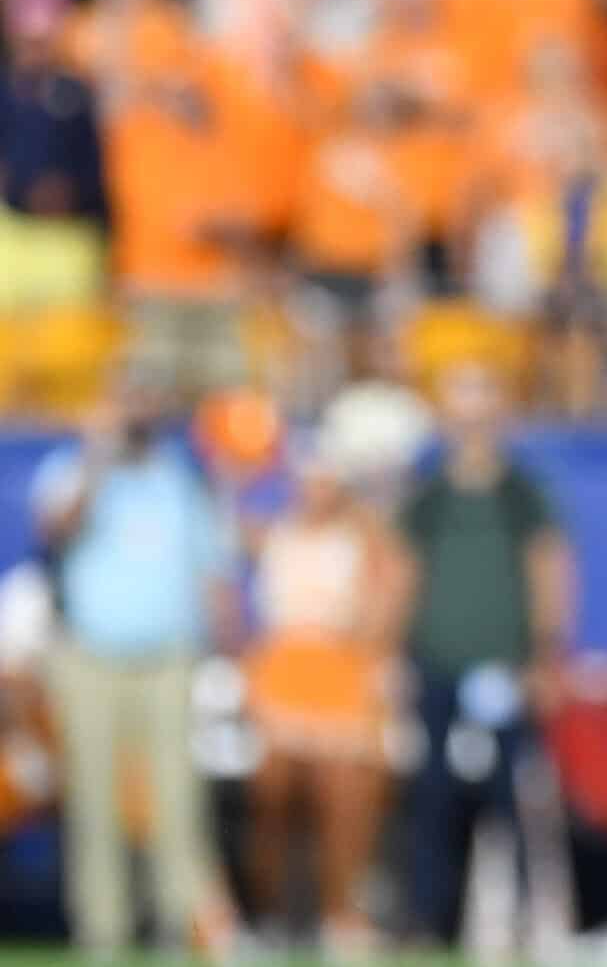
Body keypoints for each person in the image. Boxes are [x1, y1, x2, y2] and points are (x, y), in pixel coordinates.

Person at [30, 383, 238, 959]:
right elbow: (57, 529)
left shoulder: (179, 481)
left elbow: (213, 569)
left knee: (177, 800)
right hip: (90, 658)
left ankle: (178, 928)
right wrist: (96, 456)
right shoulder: (71, 470)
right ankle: (102, 934)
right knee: (94, 802)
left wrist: (224, 649)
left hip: (168, 658)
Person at [391, 362, 577, 946]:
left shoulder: (521, 493)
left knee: (511, 794)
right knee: (431, 796)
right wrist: (394, 656)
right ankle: (430, 919)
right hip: (436, 663)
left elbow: (550, 568)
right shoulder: (430, 497)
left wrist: (545, 655)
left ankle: (523, 916)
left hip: (505, 666)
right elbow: (404, 576)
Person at [242, 430, 403, 955]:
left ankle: (341, 915)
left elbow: (391, 596)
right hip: (285, 673)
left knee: (346, 797)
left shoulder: (365, 539)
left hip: (343, 674)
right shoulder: (277, 535)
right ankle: (272, 914)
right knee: (273, 795)